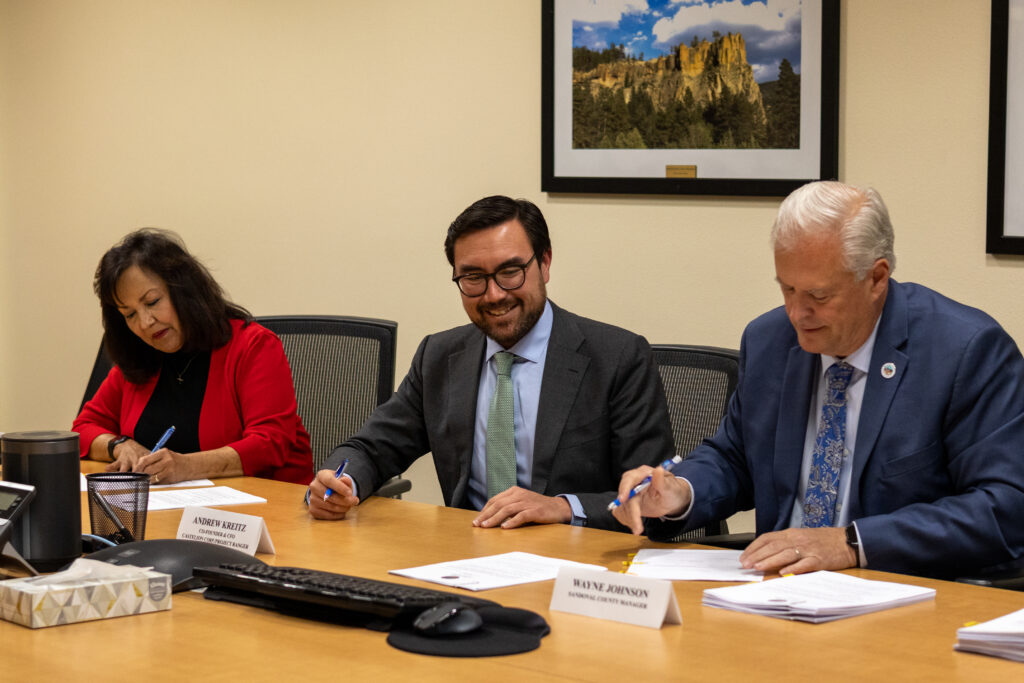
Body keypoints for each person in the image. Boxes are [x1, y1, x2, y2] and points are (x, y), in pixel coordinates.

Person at [613, 181, 1024, 579]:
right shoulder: (770, 340)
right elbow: (734, 457)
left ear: (877, 278)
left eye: (819, 296)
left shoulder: (964, 350)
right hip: (775, 590)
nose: (796, 313)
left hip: (901, 593)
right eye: (787, 288)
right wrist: (679, 492)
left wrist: (853, 543)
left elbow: (1004, 507)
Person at [308, 195, 673, 531]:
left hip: (575, 566)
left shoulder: (617, 357)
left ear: (544, 263)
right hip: (467, 557)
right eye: (473, 278)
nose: (494, 294)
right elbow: (373, 447)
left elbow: (652, 496)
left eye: (510, 272)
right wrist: (340, 482)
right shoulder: (439, 355)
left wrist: (562, 507)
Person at [73, 229, 314, 485]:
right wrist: (120, 445)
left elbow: (270, 442)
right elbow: (83, 428)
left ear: (183, 290)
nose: (145, 322)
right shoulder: (137, 359)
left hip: (262, 512)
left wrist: (186, 466)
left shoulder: (253, 346)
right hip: (168, 511)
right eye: (130, 314)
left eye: (152, 302)